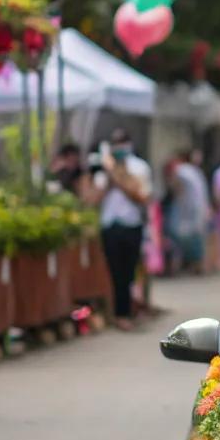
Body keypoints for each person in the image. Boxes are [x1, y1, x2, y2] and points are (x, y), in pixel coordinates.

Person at [88, 128, 153, 330]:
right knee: (115, 272)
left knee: (130, 271)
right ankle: (120, 314)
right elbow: (93, 200)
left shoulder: (139, 168)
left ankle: (130, 310)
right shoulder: (105, 169)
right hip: (110, 227)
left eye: (122, 142)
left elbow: (143, 197)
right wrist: (109, 179)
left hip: (132, 224)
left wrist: (120, 179)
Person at [167, 149, 210, 273]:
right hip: (198, 209)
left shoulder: (181, 170)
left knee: (178, 238)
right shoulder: (195, 171)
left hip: (186, 211)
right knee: (197, 238)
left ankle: (180, 266)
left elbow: (176, 187)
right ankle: (198, 266)